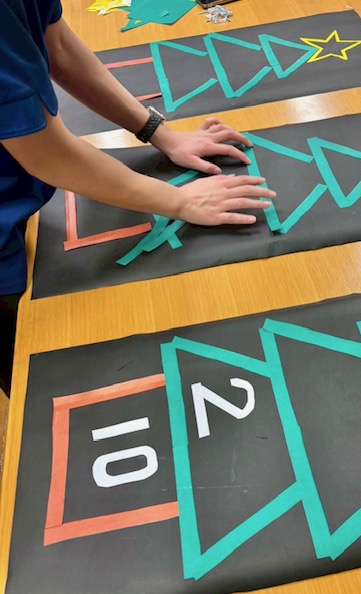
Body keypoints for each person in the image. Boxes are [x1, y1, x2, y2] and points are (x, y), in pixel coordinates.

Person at [0, 0, 276, 397]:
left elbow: (57, 44)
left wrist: (157, 131)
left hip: (20, 192)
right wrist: (180, 201)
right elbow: (50, 156)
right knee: (49, 383)